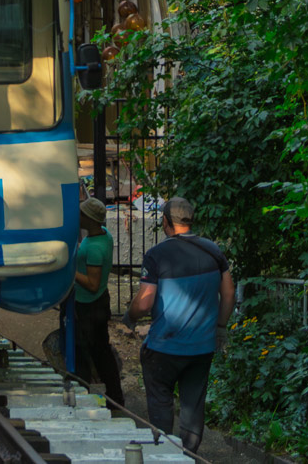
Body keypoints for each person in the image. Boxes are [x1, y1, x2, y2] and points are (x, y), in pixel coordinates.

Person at [127, 195, 236, 456]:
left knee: (161, 399)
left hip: (164, 346)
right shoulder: (213, 251)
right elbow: (229, 293)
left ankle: (163, 454)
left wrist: (129, 318)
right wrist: (220, 328)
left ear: (165, 222)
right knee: (193, 405)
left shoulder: (156, 255)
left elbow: (144, 303)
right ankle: (189, 455)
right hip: (201, 348)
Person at [74, 195, 125, 409]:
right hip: (99, 302)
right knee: (101, 351)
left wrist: (71, 272)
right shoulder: (104, 235)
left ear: (90, 219)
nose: (78, 215)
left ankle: (86, 397)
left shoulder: (95, 246)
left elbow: (92, 283)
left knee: (86, 353)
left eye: (82, 213)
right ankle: (115, 397)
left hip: (89, 305)